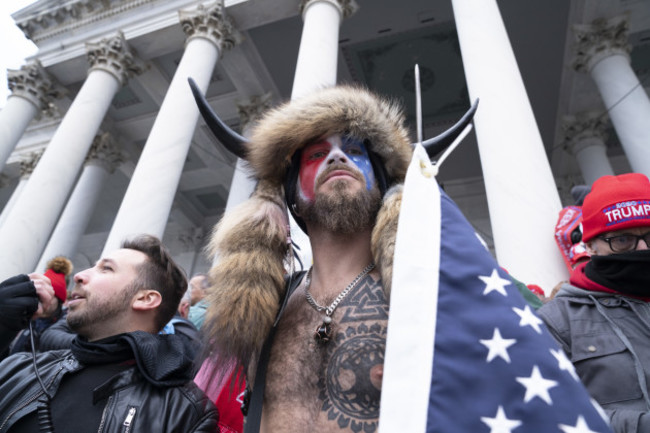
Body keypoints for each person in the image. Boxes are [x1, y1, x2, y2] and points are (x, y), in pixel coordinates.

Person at [195, 84, 456, 432]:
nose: (337, 157)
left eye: (353, 149)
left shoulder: (428, 294)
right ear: (292, 195)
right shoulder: (262, 312)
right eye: (316, 155)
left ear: (380, 183)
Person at [0, 234, 218, 432]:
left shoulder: (186, 413)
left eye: (106, 269)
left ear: (145, 298)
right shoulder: (18, 368)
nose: (79, 275)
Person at [538, 173, 650, 433]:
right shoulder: (557, 321)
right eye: (623, 240)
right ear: (590, 246)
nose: (643, 249)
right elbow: (548, 410)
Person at [9, 256, 73, 356]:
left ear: (59, 301)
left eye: (48, 296)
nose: (40, 299)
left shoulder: (66, 324)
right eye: (38, 295)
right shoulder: (25, 318)